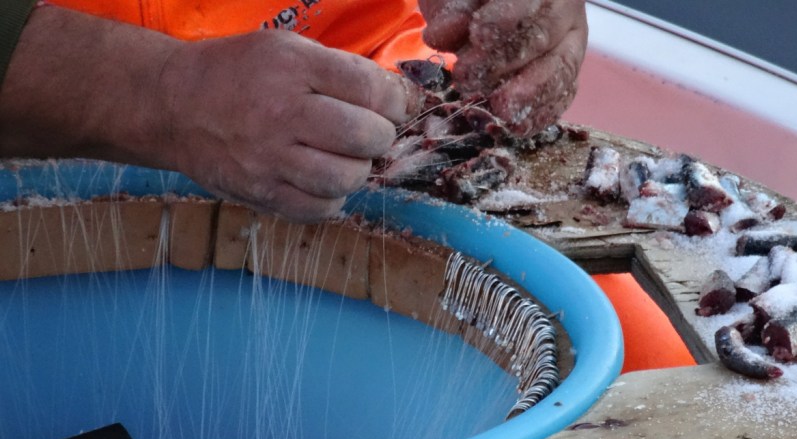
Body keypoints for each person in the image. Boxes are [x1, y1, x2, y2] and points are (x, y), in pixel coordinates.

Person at [0, 0, 588, 223]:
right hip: (46, 155)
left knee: (628, 358)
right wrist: (164, 93)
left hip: (393, 104)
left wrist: (527, 17)